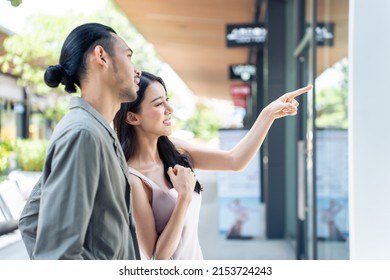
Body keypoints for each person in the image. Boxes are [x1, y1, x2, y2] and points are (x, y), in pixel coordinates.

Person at [113, 71, 312, 260]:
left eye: (167, 100)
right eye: (158, 104)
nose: (169, 109)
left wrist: (268, 114)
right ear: (132, 117)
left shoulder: (176, 151)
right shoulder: (133, 179)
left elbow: (235, 161)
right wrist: (183, 197)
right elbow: (158, 256)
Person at [18, 22, 142, 260]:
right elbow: (58, 255)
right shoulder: (83, 134)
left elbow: (31, 220)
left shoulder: (96, 131)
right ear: (101, 56)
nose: (137, 70)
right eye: (128, 56)